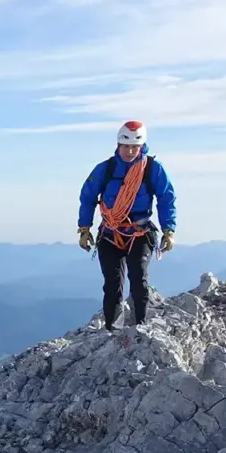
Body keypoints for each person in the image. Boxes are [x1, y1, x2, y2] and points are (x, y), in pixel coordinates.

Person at [76, 121, 177, 330]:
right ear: (118, 145)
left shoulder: (152, 169)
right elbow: (87, 196)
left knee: (139, 280)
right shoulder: (106, 169)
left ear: (142, 146)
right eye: (126, 146)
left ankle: (140, 327)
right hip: (110, 232)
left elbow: (166, 198)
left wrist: (169, 230)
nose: (130, 151)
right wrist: (84, 228)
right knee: (112, 285)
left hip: (139, 233)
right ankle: (112, 329)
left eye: (135, 147)